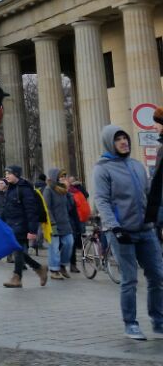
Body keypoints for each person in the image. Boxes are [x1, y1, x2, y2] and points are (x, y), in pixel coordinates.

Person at [93, 125, 163, 340]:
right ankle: (130, 324)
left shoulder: (137, 166)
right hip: (122, 233)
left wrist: (157, 219)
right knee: (130, 280)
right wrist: (114, 226)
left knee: (158, 277)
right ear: (109, 143)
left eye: (125, 138)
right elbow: (102, 201)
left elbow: (150, 195)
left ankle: (159, 321)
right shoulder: (102, 168)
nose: (124, 142)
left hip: (146, 230)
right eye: (118, 139)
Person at [0, 165, 48, 287]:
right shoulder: (10, 188)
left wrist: (32, 230)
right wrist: (0, 223)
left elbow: (31, 211)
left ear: (16, 174)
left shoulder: (25, 189)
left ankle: (17, 277)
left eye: (9, 173)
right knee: (18, 250)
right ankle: (39, 268)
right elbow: (7, 208)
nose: (6, 176)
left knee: (18, 250)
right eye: (6, 173)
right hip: (11, 225)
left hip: (22, 225)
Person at [43, 168, 75, 279]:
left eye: (64, 176)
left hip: (65, 222)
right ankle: (54, 269)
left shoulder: (63, 190)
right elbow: (47, 207)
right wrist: (52, 223)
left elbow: (70, 206)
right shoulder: (48, 190)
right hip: (53, 224)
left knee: (69, 243)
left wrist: (68, 190)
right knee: (54, 247)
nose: (63, 178)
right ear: (55, 177)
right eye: (61, 176)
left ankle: (62, 265)